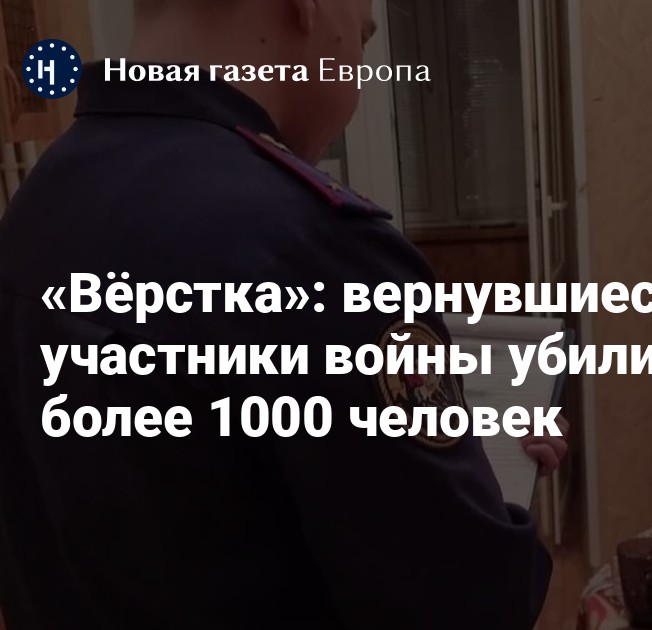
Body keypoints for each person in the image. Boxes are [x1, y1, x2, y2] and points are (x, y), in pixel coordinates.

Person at [0, 1, 566, 628]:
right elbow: (471, 600)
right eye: (361, 40)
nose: (358, 74)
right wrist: (489, 496)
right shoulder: (314, 244)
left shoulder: (37, 204)